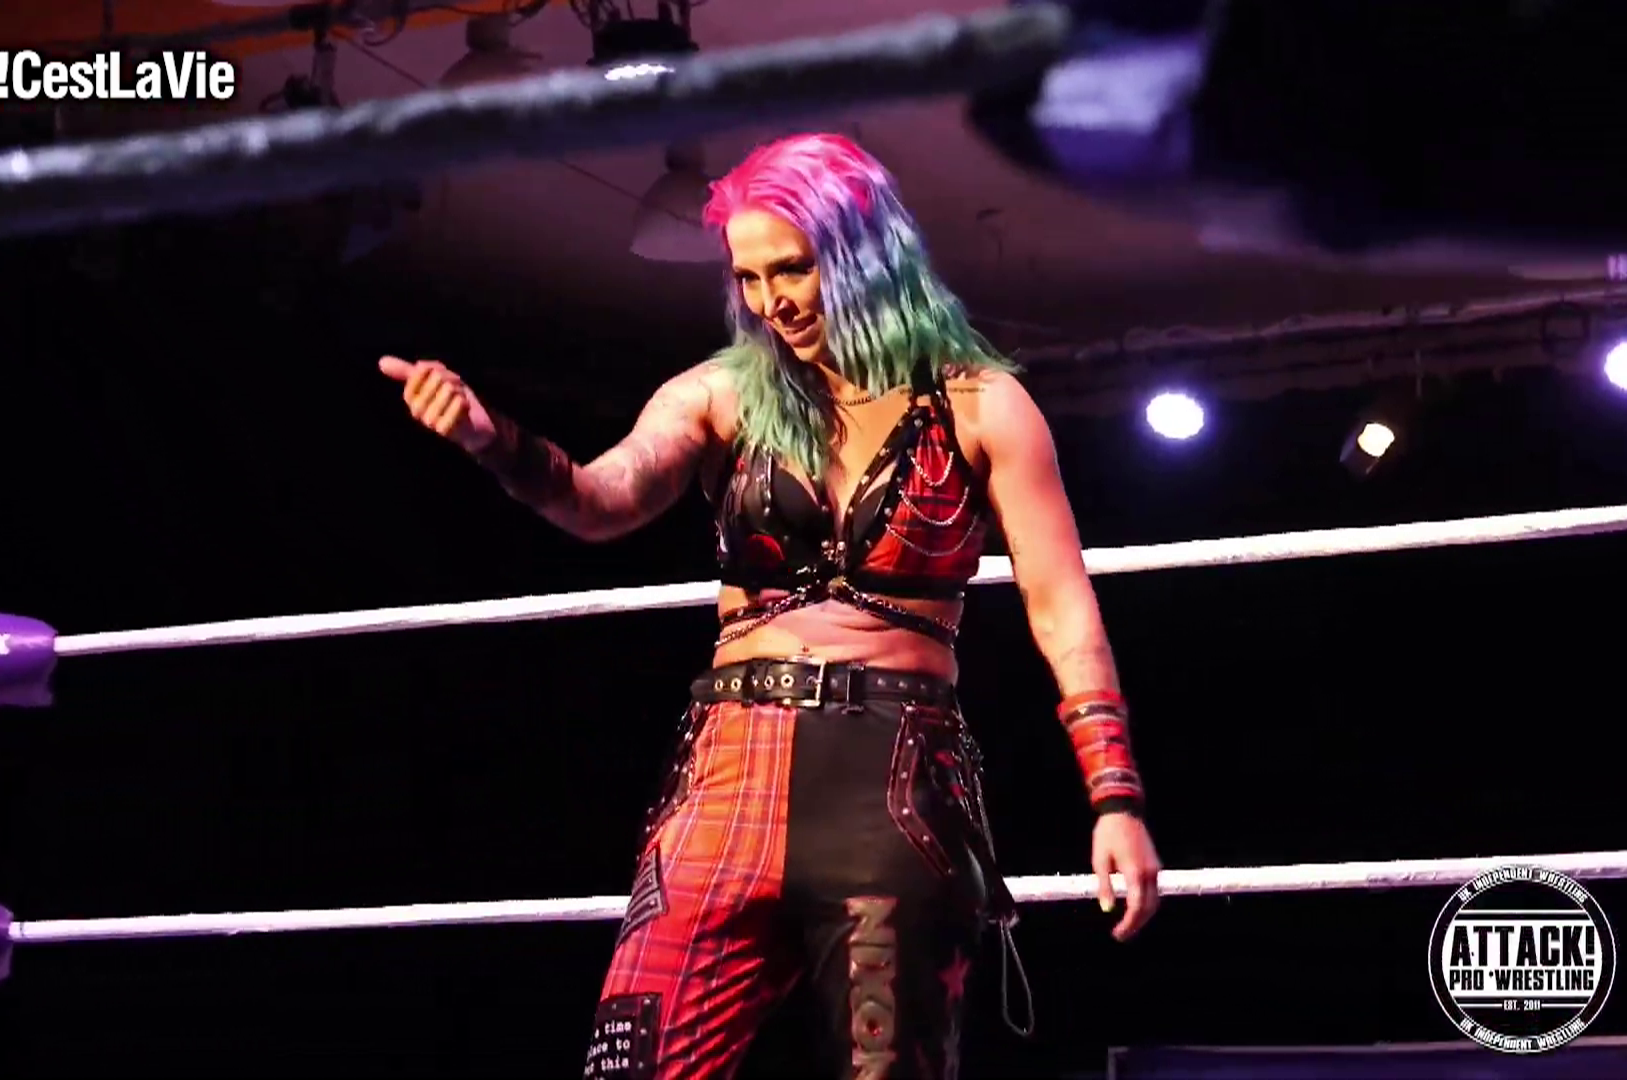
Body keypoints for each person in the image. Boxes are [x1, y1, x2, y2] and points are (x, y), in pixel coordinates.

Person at [379, 133, 1161, 1080]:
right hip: (730, 772)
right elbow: (599, 498)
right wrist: (492, 440)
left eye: (791, 268)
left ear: (867, 254)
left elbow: (1062, 609)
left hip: (891, 785)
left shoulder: (982, 405)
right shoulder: (721, 394)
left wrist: (1114, 798)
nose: (770, 301)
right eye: (748, 278)